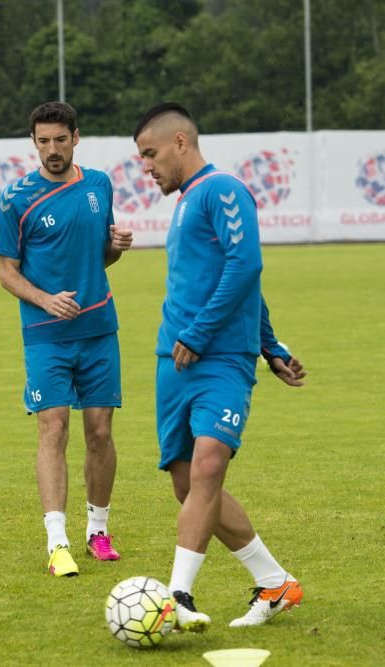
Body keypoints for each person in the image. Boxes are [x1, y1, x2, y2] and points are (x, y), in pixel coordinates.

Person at [133, 102, 305, 630]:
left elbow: (246, 264)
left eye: (151, 153)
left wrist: (254, 345)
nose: (147, 166)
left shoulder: (222, 189)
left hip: (219, 359)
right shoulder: (185, 203)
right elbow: (240, 280)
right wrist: (271, 343)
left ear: (181, 142)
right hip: (174, 361)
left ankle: (176, 596)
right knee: (188, 486)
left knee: (209, 466)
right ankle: (276, 584)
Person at [0, 101, 134, 577]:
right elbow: (6, 273)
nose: (51, 149)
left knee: (100, 432)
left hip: (98, 329)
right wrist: (45, 299)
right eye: (42, 141)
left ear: (77, 137)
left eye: (59, 139)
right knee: (53, 427)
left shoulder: (98, 185)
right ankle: (57, 543)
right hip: (46, 334)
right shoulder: (16, 199)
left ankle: (98, 531)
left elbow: (99, 258)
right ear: (33, 143)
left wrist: (115, 249)